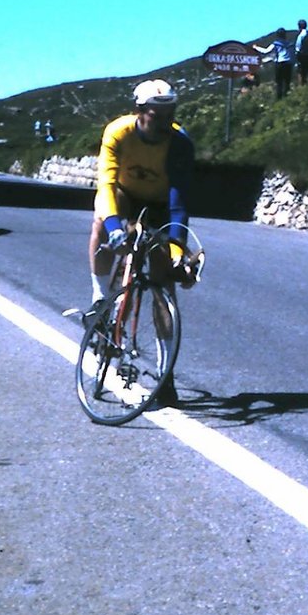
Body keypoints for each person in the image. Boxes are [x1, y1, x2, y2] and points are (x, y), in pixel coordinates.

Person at [77, 79, 197, 404]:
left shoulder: (179, 143)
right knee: (102, 221)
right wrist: (116, 227)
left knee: (163, 286)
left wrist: (175, 252)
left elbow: (178, 204)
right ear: (139, 112)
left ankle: (165, 375)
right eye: (156, 115)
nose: (163, 123)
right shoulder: (118, 132)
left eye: (169, 114)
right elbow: (106, 183)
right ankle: (101, 301)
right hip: (124, 197)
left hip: (159, 208)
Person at [252, 26, 295, 99]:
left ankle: (279, 98)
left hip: (280, 64)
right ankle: (287, 97)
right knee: (287, 82)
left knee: (279, 83)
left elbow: (266, 51)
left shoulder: (276, 44)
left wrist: (256, 47)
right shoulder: (289, 44)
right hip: (288, 63)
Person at [292, 19, 308, 86]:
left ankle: (301, 86)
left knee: (300, 72)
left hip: (301, 56)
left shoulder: (301, 35)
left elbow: (298, 47)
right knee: (306, 71)